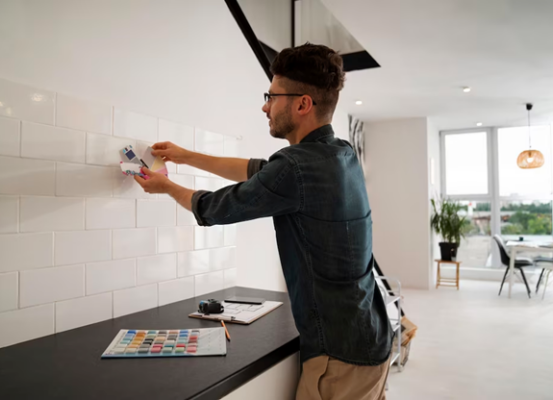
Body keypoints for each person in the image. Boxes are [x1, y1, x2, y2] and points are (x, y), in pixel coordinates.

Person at [135, 43, 393, 400]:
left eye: (271, 96)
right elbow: (259, 170)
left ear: (302, 104)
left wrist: (164, 187)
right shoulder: (340, 153)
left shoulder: (296, 167)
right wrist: (186, 156)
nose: (265, 105)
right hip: (370, 337)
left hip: (340, 355)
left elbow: (214, 208)